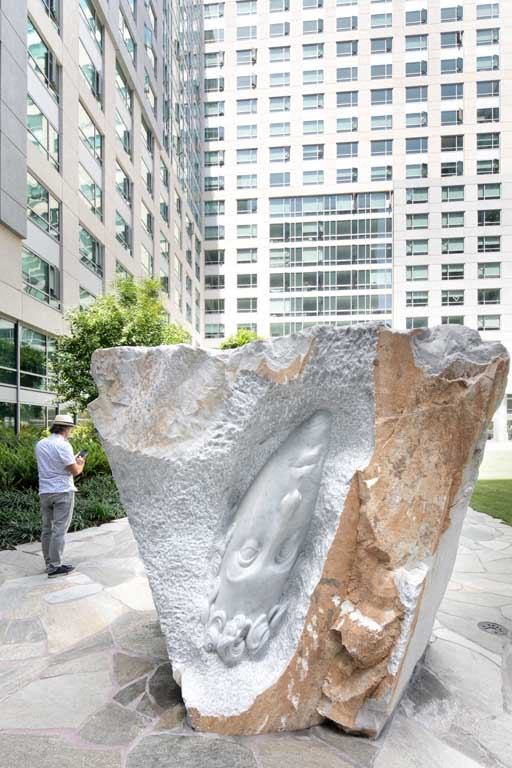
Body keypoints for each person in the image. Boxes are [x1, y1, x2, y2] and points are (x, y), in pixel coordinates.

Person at [35, 414, 86, 578]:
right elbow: (75, 471)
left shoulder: (41, 444)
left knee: (47, 529)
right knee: (59, 530)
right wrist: (81, 463)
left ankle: (49, 563)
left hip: (45, 492)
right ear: (67, 428)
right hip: (63, 492)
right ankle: (55, 567)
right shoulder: (64, 445)